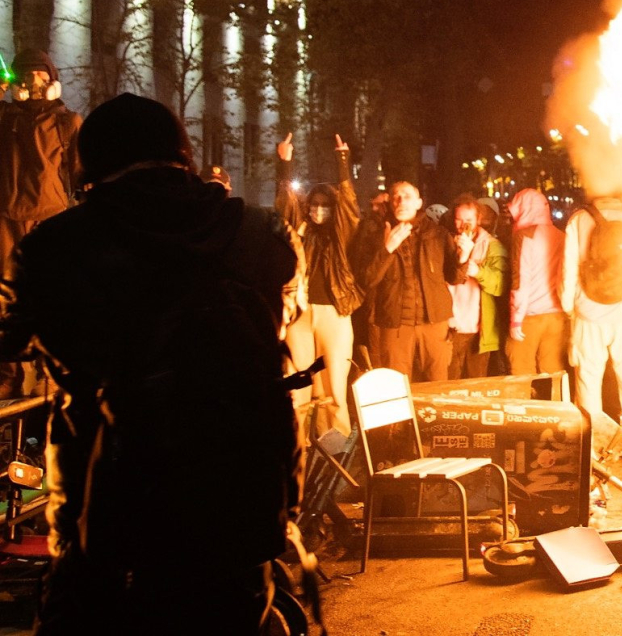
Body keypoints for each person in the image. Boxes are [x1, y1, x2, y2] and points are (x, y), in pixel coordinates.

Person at [0, 93, 301, 633]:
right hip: (242, 498)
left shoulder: (56, 248)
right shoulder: (257, 233)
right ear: (180, 151)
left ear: (89, 161)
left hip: (114, 514)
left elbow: (10, 336)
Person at [0, 49, 80, 399]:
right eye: (26, 76)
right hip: (5, 218)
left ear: (51, 80)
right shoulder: (3, 118)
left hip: (51, 218)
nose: (34, 83)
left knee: (54, 297)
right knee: (3, 299)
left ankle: (51, 375)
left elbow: (80, 174)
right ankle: (8, 373)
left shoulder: (67, 123)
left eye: (40, 75)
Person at [275, 131, 365, 435]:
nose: (318, 209)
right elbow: (286, 204)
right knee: (299, 382)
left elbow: (349, 206)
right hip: (301, 314)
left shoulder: (340, 236)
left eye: (325, 204)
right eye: (314, 203)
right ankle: (298, 442)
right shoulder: (300, 229)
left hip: (334, 313)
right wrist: (284, 164)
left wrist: (343, 161)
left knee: (334, 384)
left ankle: (335, 443)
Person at [355, 181, 460, 381]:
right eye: (396, 196)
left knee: (437, 384)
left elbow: (454, 277)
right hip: (395, 325)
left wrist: (462, 259)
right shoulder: (375, 236)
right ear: (390, 203)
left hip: (433, 323)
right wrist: (387, 249)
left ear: (419, 203)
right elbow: (366, 280)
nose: (401, 201)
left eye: (407, 196)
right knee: (397, 387)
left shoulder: (437, 234)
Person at [562, 194, 622, 428]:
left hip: (588, 312)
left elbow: (568, 268)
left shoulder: (580, 219)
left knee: (588, 377)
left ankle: (593, 442)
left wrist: (568, 306)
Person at [506, 188, 567, 395]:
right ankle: (558, 416)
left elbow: (521, 280)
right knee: (553, 371)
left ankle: (526, 418)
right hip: (557, 316)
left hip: (529, 317)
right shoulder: (561, 235)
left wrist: (516, 319)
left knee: (522, 372)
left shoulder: (524, 236)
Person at [446, 195, 508, 379]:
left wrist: (479, 272)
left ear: (478, 219)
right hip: (451, 326)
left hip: (479, 328)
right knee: (450, 382)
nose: (463, 224)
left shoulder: (492, 246)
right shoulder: (444, 241)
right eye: (459, 219)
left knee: (476, 381)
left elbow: (501, 284)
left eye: (469, 220)